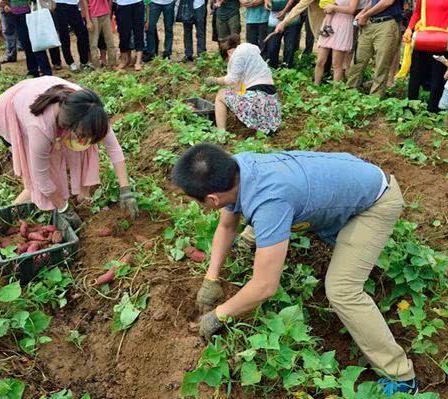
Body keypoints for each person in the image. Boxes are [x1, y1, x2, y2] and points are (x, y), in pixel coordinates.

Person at [171, 143, 419, 396]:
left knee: (342, 290)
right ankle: (257, 238)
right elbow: (226, 227)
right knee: (267, 216)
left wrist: (218, 315)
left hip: (377, 202)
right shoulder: (237, 168)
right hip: (344, 177)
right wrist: (211, 279)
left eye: (195, 201)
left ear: (212, 199)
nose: (197, 205)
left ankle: (401, 376)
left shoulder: (270, 201)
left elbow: (265, 287)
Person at [0, 76, 139, 229]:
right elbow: (41, 177)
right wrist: (64, 208)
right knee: (36, 181)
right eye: (81, 134)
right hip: (9, 111)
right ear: (69, 126)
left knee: (87, 148)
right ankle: (6, 220)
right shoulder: (40, 128)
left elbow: (114, 148)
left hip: (39, 89)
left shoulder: (89, 110)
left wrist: (125, 188)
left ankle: (83, 196)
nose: (83, 139)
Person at [204, 34, 281, 134]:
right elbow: (241, 87)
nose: (228, 63)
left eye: (227, 60)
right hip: (269, 98)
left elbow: (231, 79)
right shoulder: (250, 52)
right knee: (234, 94)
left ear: (229, 52)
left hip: (257, 97)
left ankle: (221, 134)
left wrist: (215, 80)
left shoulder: (237, 55)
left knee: (220, 95)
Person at [345, 0, 402, 96]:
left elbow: (387, 2)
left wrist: (366, 15)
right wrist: (362, 13)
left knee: (381, 65)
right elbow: (373, 2)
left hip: (387, 23)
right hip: (369, 23)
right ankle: (349, 94)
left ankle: (375, 99)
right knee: (357, 61)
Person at [311, 0, 357, 84]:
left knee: (336, 63)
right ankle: (315, 86)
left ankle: (335, 92)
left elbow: (352, 10)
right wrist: (327, 9)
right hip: (328, 23)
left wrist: (333, 7)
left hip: (343, 23)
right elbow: (324, 6)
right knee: (320, 61)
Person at [54, 0, 90, 72]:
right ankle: (70, 63)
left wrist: (82, 8)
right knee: (64, 36)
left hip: (74, 4)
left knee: (82, 33)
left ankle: (84, 61)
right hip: (59, 4)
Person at [264, 0, 301, 69]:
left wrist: (284, 11)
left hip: (292, 19)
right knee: (272, 47)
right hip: (274, 19)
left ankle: (287, 69)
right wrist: (266, 2)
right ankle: (273, 69)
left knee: (289, 47)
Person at [83, 0, 117, 68]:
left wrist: (109, 13)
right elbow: (85, 3)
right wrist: (88, 21)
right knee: (93, 44)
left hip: (106, 14)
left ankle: (112, 64)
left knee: (110, 42)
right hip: (93, 16)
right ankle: (97, 67)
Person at [114, 0, 144, 69]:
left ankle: (138, 62)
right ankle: (123, 61)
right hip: (122, 5)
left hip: (137, 3)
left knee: (138, 32)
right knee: (123, 34)